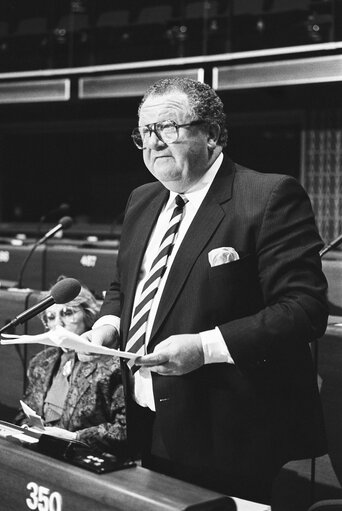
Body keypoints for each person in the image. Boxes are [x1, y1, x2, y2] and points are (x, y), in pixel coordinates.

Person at [84, 77, 328, 503]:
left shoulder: (268, 196)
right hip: (140, 414)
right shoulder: (142, 199)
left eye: (168, 127)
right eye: (144, 131)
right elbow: (124, 285)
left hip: (226, 430)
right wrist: (107, 325)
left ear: (211, 134)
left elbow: (303, 309)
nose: (153, 142)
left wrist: (204, 346)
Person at [15, 277, 127, 456]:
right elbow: (23, 414)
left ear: (88, 314)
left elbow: (125, 430)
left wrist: (74, 437)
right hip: (40, 453)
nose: (58, 324)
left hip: (85, 459)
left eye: (67, 313)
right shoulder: (41, 362)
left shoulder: (113, 365)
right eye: (51, 317)